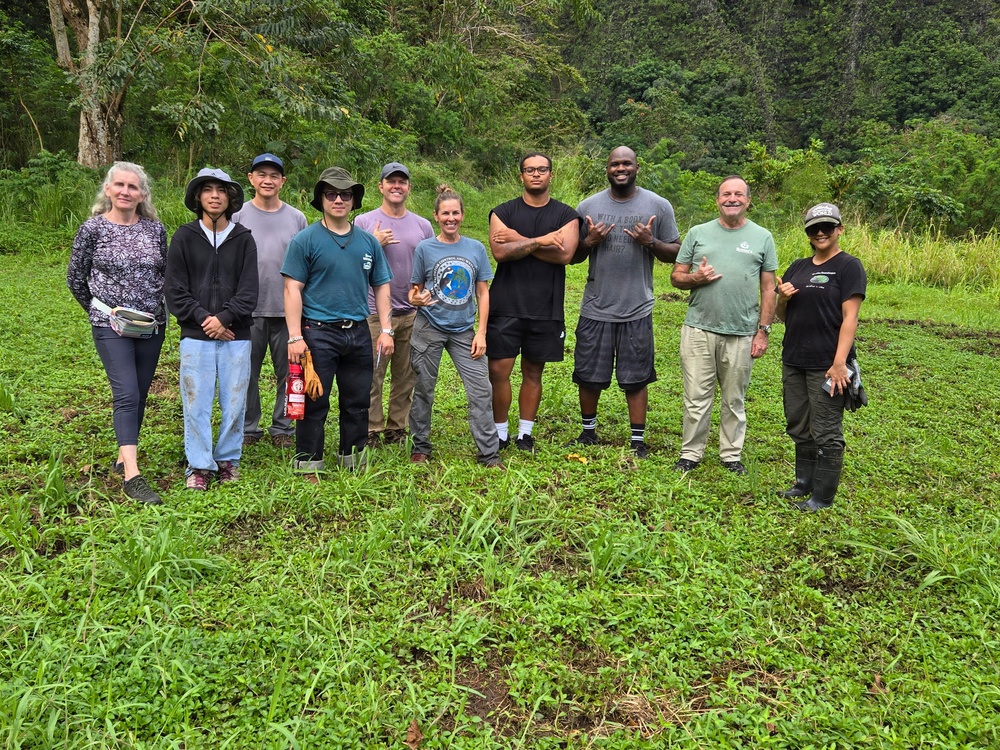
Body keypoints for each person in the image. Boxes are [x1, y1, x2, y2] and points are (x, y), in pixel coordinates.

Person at [281, 167, 395, 481]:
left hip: (359, 331)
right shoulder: (305, 241)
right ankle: (308, 464)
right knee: (313, 400)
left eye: (345, 194)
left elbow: (382, 285)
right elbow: (292, 288)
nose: (338, 199)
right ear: (321, 199)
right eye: (331, 194)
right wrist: (294, 337)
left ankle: (353, 459)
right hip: (317, 333)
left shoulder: (368, 243)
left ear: (354, 199)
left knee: (358, 400)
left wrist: (386, 329)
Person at [67, 162, 168, 505]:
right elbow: (75, 279)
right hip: (110, 324)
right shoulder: (92, 229)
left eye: (133, 187)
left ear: (142, 195)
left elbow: (164, 273)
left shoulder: (156, 230)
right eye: (120, 185)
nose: (126, 191)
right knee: (125, 393)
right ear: (108, 190)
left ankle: (123, 455)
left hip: (152, 325)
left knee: (139, 392)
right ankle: (132, 476)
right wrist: (101, 311)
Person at [570, 146, 680, 458]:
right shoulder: (589, 205)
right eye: (615, 164)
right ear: (607, 168)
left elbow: (676, 252)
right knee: (589, 373)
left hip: (637, 306)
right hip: (596, 305)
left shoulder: (657, 205)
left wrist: (651, 242)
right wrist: (590, 241)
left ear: (636, 167)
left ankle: (637, 441)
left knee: (636, 377)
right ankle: (588, 433)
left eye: (626, 163)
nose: (621, 168)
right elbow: (573, 256)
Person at [670, 175, 777, 475]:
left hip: (742, 333)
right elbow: (676, 277)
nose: (732, 198)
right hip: (698, 329)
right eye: (726, 194)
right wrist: (696, 278)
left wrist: (763, 331)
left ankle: (731, 455)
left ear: (748, 201)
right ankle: (690, 453)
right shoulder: (698, 232)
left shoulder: (762, 237)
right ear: (717, 199)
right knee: (696, 396)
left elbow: (769, 288)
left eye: (738, 194)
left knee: (734, 399)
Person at [166, 168, 258, 490]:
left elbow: (249, 291)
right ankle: (200, 465)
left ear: (230, 198)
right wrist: (207, 320)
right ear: (198, 197)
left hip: (236, 335)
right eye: (208, 189)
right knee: (196, 401)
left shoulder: (243, 238)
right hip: (195, 336)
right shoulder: (183, 237)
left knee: (234, 401)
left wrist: (226, 318)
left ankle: (229, 459)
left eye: (222, 190)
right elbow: (175, 290)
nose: (215, 195)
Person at [775, 203, 866, 511]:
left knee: (826, 429)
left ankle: (822, 498)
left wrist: (839, 363)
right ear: (808, 233)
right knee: (798, 423)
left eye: (828, 227)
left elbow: (850, 317)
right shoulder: (798, 267)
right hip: (794, 358)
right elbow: (781, 315)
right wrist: (781, 299)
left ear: (839, 229)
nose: (821, 233)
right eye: (815, 228)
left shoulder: (849, 266)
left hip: (827, 363)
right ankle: (804, 483)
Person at [487, 152, 580, 452]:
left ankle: (524, 433)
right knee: (499, 371)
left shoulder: (567, 215)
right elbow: (501, 253)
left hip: (545, 306)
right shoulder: (502, 212)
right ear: (521, 176)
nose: (536, 174)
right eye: (530, 170)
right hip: (505, 305)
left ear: (551, 174)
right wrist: (541, 241)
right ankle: (500, 432)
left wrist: (519, 239)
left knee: (533, 372)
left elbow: (564, 255)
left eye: (542, 169)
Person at [408, 185, 502, 467]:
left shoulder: (475, 248)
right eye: (445, 213)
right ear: (436, 216)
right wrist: (418, 299)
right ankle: (420, 446)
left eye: (456, 213)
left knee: (481, 390)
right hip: (429, 327)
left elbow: (483, 292)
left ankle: (489, 453)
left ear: (463, 215)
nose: (451, 218)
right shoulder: (425, 248)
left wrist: (481, 332)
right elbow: (414, 291)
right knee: (424, 389)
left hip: (464, 330)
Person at [355, 162, 434, 449]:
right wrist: (373, 243)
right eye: (391, 181)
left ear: (408, 187)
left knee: (406, 375)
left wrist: (425, 295)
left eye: (402, 181)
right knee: (372, 374)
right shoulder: (364, 223)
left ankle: (396, 427)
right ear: (381, 186)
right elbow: (351, 264)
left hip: (412, 313)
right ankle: (372, 428)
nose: (396, 186)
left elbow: (430, 266)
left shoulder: (423, 225)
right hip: (374, 313)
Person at [234, 153, 308, 449]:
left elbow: (306, 265)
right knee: (246, 373)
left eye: (274, 175)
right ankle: (249, 426)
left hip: (287, 310)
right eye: (261, 174)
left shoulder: (296, 217)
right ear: (251, 179)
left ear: (283, 182)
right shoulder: (237, 215)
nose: (268, 180)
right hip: (247, 311)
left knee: (289, 373)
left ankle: (283, 428)